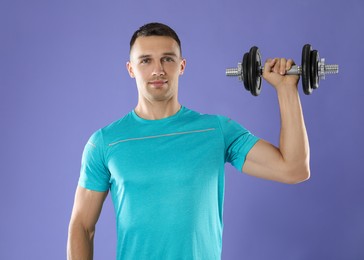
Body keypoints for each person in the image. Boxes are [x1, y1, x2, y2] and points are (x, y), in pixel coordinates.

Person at [67, 22, 310, 260]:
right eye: (145, 60)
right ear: (131, 69)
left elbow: (294, 169)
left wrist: (286, 90)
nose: (158, 69)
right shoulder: (105, 142)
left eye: (168, 59)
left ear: (181, 66)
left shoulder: (215, 131)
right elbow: (82, 226)